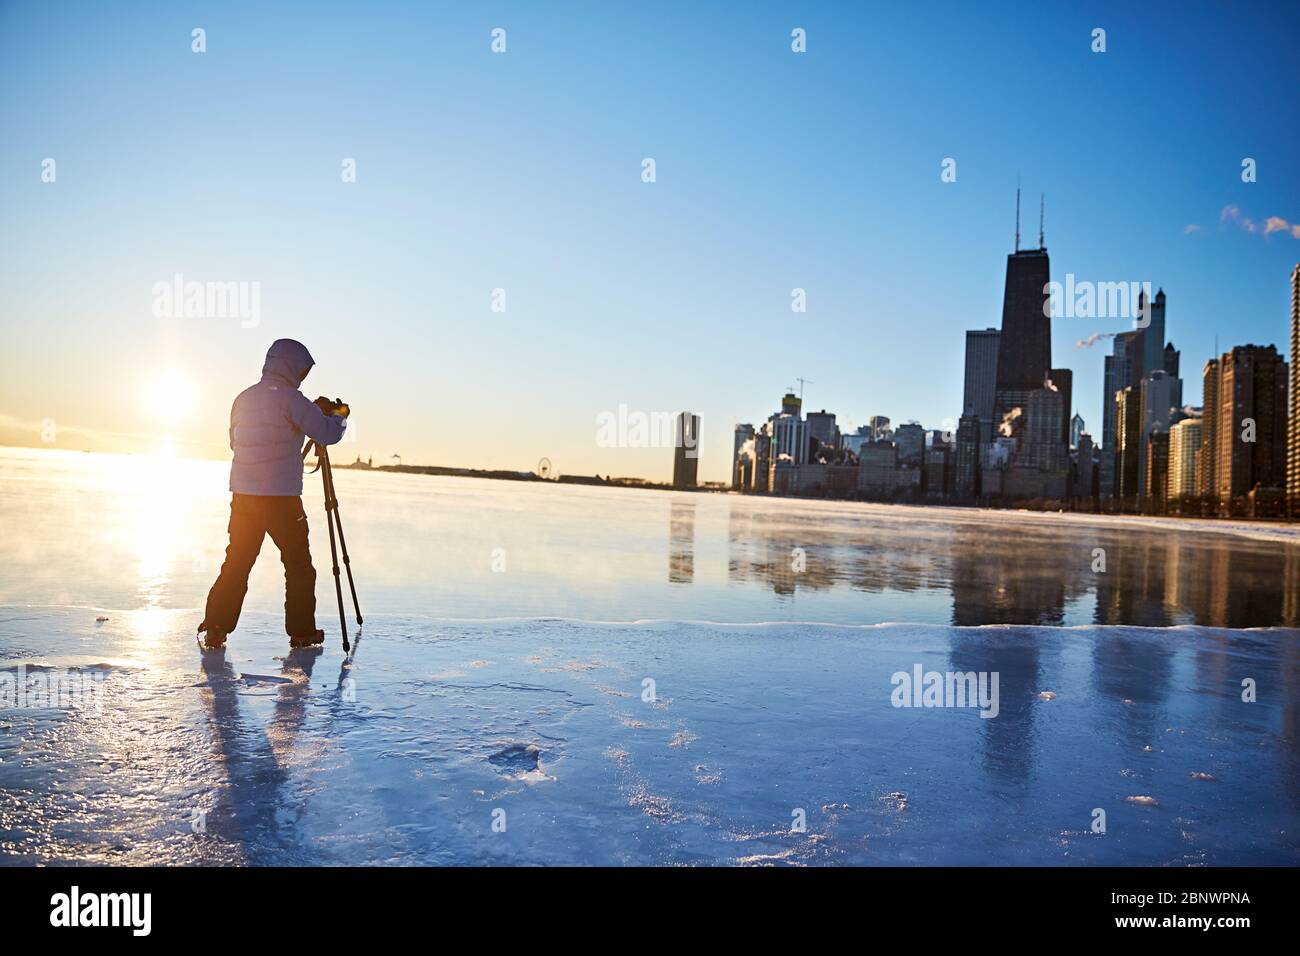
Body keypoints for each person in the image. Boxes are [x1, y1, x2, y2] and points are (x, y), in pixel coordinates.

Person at [198, 339, 349, 651]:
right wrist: (338, 415)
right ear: (294, 367)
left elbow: (234, 442)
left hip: (243, 496)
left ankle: (215, 627)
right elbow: (327, 434)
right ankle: (302, 632)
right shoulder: (293, 400)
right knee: (298, 565)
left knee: (237, 561)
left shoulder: (243, 399)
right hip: (281, 498)